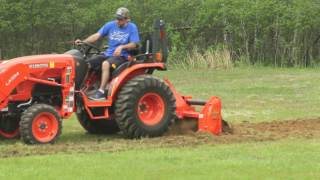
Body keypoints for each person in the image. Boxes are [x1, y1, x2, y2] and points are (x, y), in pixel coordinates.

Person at [75, 7, 140, 101]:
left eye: (120, 19)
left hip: (122, 56)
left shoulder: (132, 27)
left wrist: (122, 47)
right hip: (108, 54)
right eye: (117, 18)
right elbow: (97, 36)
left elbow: (134, 44)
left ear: (127, 19)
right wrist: (83, 42)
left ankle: (101, 92)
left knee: (105, 64)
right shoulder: (110, 25)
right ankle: (81, 88)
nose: (117, 21)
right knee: (87, 63)